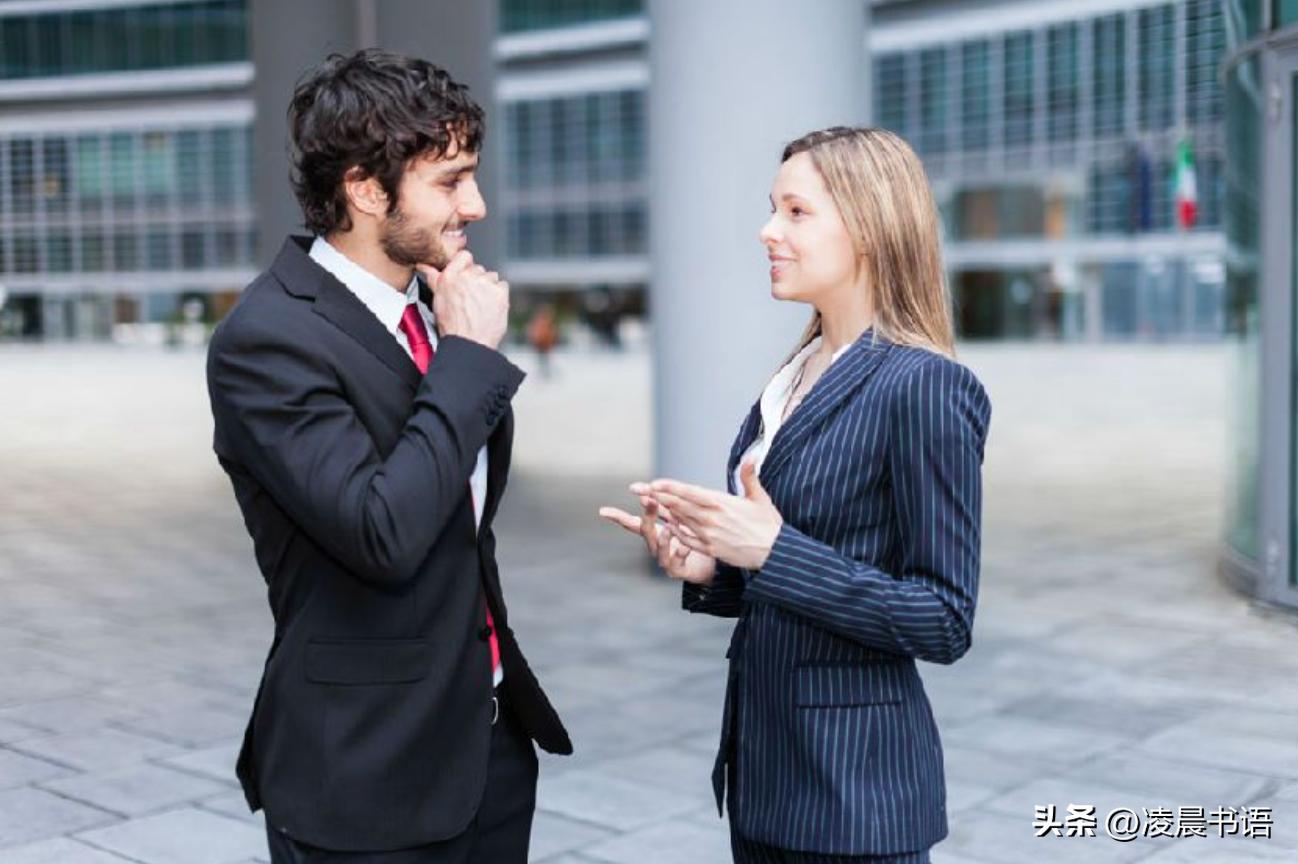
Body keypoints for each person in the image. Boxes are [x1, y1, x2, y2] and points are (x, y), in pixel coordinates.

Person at [206, 50, 570, 864]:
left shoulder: (436, 307)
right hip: (364, 780)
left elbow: (463, 525)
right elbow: (382, 531)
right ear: (367, 190)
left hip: (489, 754)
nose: (475, 204)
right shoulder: (266, 340)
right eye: (450, 181)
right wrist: (469, 359)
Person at [600, 126, 991, 863]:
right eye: (772, 209)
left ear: (870, 225)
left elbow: (944, 619)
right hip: (767, 778)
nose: (767, 231)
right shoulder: (798, 371)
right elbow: (796, 567)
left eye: (795, 212)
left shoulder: (925, 387)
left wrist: (773, 551)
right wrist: (714, 570)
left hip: (854, 799)